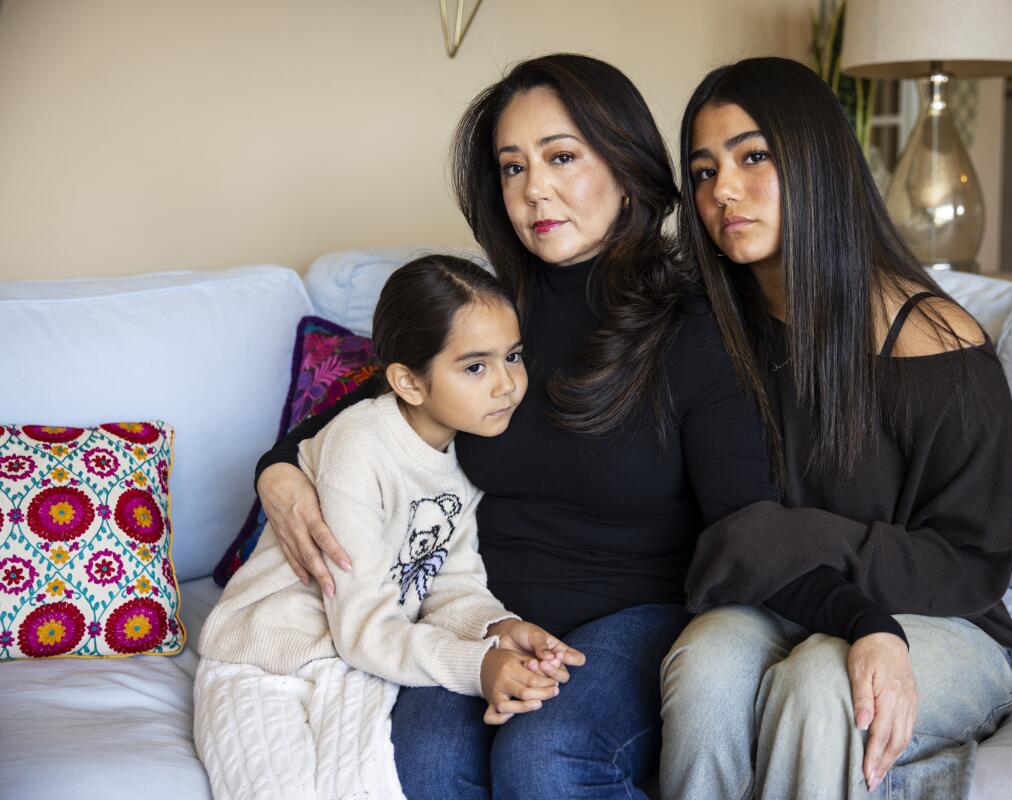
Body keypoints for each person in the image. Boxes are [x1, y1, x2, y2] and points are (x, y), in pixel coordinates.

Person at [251, 54, 899, 800]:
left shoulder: (695, 327)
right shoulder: (490, 314)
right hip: (486, 615)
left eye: (561, 157)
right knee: (424, 761)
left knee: (545, 757)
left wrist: (867, 624)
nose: (535, 189)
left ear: (625, 168)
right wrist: (277, 472)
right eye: (513, 167)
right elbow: (370, 407)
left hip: (637, 617)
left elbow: (750, 525)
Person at [658, 57, 1012, 800]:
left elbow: (974, 561)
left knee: (823, 685)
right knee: (704, 666)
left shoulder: (937, 344)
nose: (722, 191)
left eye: (753, 157)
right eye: (703, 172)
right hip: (783, 600)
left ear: (817, 162)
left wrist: (803, 539)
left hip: (943, 618)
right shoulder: (711, 332)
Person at [194, 256, 581, 800]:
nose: (507, 385)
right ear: (408, 382)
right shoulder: (359, 444)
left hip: (358, 664)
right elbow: (362, 627)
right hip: (266, 660)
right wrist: (476, 665)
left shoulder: (466, 454)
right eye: (476, 367)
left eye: (512, 357)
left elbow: (449, 582)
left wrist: (497, 628)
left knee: (371, 788)